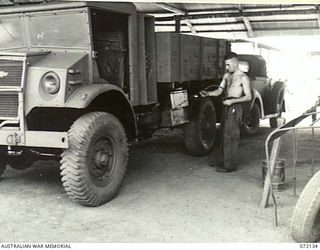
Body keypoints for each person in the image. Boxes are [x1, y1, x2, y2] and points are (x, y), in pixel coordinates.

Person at [200, 52, 251, 172]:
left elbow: (248, 97)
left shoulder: (243, 77)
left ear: (235, 62)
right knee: (224, 134)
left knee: (231, 136)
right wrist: (207, 93)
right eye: (226, 65)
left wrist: (233, 102)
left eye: (228, 65)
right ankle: (223, 161)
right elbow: (218, 91)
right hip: (226, 106)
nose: (227, 68)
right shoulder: (227, 76)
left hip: (235, 107)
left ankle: (229, 166)